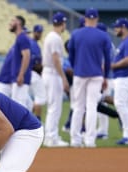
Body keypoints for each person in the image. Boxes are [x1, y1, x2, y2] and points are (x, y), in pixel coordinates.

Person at [68, 8, 111, 148]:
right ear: (97, 20)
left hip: (80, 73)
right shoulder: (103, 35)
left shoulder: (76, 34)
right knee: (92, 106)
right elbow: (108, 59)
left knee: (78, 106)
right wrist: (106, 76)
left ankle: (75, 140)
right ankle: (90, 140)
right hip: (97, 74)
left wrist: (76, 67)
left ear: (85, 19)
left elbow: (71, 55)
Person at [42, 12, 70, 147]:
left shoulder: (51, 36)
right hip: (53, 74)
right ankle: (51, 138)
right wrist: (63, 77)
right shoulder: (55, 38)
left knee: (53, 106)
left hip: (49, 73)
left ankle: (51, 136)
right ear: (63, 23)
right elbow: (55, 58)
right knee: (55, 107)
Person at [111, 18, 128, 145]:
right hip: (123, 77)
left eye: (117, 27)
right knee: (124, 106)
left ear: (123, 27)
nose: (115, 30)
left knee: (122, 105)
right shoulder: (125, 42)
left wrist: (114, 65)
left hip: (125, 77)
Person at [10, 16, 33, 111]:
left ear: (19, 23)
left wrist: (21, 75)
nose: (10, 23)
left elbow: (26, 56)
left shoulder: (22, 38)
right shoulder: (20, 38)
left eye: (12, 20)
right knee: (19, 107)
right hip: (18, 78)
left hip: (21, 79)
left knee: (19, 108)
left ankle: (24, 126)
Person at [29, 24, 46, 120]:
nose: (40, 34)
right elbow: (36, 64)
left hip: (32, 73)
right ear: (34, 32)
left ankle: (30, 117)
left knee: (37, 98)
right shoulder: (33, 44)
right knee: (39, 97)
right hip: (33, 73)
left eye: (41, 32)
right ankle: (37, 120)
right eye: (38, 32)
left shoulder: (34, 44)